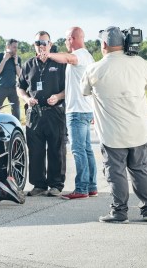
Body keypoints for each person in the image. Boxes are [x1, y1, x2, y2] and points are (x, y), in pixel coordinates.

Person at [81, 26, 147, 223]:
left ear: (104, 45)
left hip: (112, 134)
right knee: (140, 169)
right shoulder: (139, 63)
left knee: (115, 172)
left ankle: (119, 212)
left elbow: (84, 91)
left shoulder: (94, 69)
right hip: (139, 130)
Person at [43, 27, 97, 200]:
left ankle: (81, 189)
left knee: (78, 150)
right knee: (87, 149)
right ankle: (92, 186)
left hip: (77, 112)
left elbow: (68, 58)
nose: (65, 42)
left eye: (66, 39)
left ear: (72, 38)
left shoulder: (79, 55)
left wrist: (49, 54)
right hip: (86, 109)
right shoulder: (89, 56)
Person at [17, 31, 67, 197]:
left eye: (44, 43)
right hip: (34, 114)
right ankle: (39, 185)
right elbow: (20, 87)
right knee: (35, 150)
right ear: (34, 46)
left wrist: (59, 96)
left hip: (55, 112)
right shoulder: (28, 65)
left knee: (56, 149)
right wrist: (26, 98)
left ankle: (56, 185)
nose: (41, 46)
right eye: (38, 43)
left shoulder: (60, 64)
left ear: (50, 44)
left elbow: (71, 88)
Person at [0, 39, 22, 119]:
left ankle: (17, 127)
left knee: (16, 110)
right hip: (1, 88)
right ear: (8, 46)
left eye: (17, 47)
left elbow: (20, 75)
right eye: (14, 47)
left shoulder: (17, 58)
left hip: (13, 88)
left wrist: (16, 63)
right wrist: (4, 59)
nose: (16, 49)